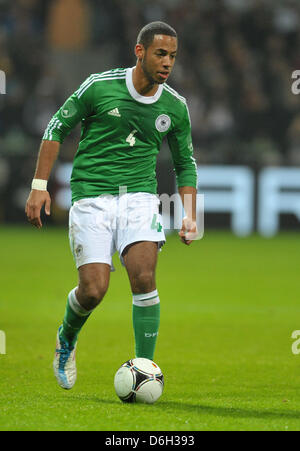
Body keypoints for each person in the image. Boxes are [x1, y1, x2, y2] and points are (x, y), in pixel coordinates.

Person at [25, 21, 198, 390]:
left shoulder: (175, 107)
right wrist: (40, 186)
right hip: (91, 195)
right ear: (140, 52)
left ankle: (146, 368)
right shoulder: (99, 86)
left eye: (173, 56)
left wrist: (190, 216)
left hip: (138, 197)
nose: (168, 63)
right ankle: (66, 338)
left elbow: (186, 164)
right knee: (93, 290)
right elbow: (55, 128)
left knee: (145, 276)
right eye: (160, 54)